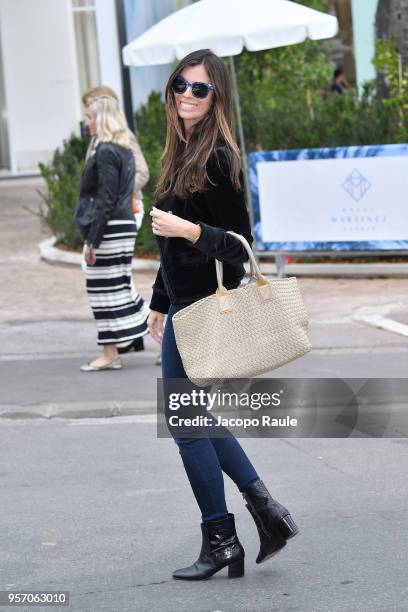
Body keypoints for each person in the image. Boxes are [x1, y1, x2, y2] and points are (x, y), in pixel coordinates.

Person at [147, 49, 299, 581]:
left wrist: (190, 232)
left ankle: (222, 539)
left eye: (200, 89)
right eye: (181, 86)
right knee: (196, 420)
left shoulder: (218, 158)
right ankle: (266, 512)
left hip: (207, 310)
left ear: (217, 98)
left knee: (186, 425)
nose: (188, 96)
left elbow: (238, 247)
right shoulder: (178, 152)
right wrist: (159, 303)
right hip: (183, 309)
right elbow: (168, 246)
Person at [77, 95, 149, 371]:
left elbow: (105, 199)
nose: (87, 123)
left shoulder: (106, 150)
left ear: (101, 118)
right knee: (117, 287)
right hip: (121, 224)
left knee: (102, 290)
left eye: (90, 118)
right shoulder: (121, 149)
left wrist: (92, 241)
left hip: (110, 227)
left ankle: (110, 353)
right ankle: (159, 334)